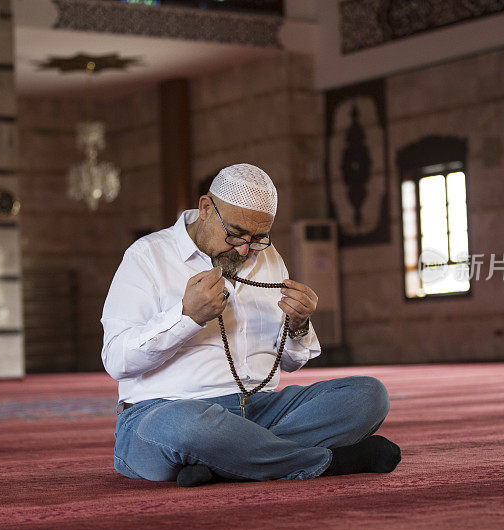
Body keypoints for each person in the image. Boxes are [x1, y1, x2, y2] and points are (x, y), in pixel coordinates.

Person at [101, 163, 400, 487]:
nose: (245, 249)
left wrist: (298, 325)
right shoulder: (147, 256)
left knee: (369, 396)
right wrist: (186, 317)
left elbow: (288, 363)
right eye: (235, 234)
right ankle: (324, 463)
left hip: (259, 408)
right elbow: (116, 361)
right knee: (188, 428)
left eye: (258, 238)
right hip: (164, 411)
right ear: (205, 208)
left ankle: (224, 461)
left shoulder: (268, 258)